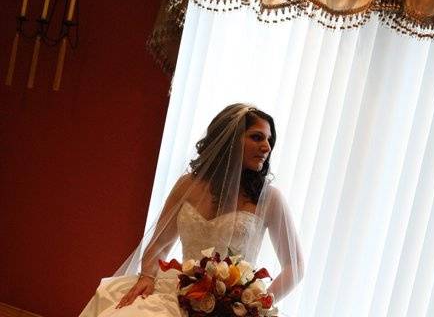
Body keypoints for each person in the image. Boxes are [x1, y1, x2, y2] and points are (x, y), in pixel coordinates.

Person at [80, 103, 304, 316]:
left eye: (269, 140)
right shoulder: (187, 185)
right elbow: (159, 244)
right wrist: (147, 276)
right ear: (230, 140)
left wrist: (255, 304)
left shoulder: (269, 198)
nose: (267, 147)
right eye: (257, 137)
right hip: (180, 294)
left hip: (233, 309)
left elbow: (295, 266)